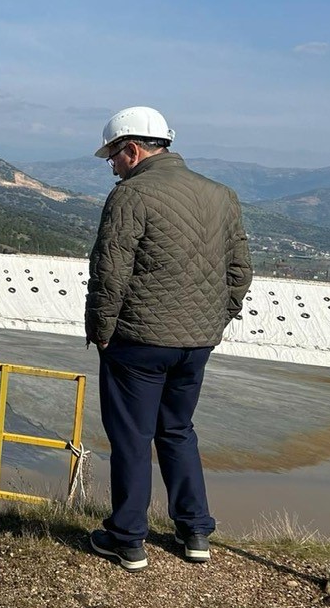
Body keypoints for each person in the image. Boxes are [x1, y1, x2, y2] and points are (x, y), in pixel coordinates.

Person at [85, 106, 252, 571]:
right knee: (178, 431)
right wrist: (215, 321)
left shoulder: (130, 196)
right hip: (196, 344)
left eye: (112, 157)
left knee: (132, 438)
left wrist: (101, 332)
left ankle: (127, 538)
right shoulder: (223, 195)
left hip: (137, 341)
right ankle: (195, 530)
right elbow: (240, 272)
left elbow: (110, 274)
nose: (111, 167)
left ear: (133, 150)